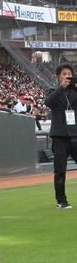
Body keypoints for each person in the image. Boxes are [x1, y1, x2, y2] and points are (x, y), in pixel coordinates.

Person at [44, 63, 77, 209]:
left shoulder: (75, 91)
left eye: (69, 74)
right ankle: (61, 200)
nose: (67, 76)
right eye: (64, 74)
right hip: (59, 136)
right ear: (58, 76)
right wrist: (61, 87)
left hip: (75, 135)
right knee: (60, 170)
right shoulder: (53, 90)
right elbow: (48, 102)